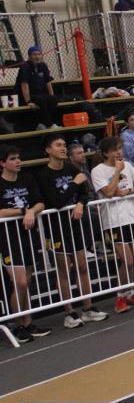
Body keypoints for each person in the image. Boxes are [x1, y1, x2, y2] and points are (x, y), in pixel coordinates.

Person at [90, 137, 134, 314]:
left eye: (120, 148)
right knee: (127, 260)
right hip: (113, 221)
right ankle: (119, 297)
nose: (119, 152)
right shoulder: (98, 171)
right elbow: (109, 192)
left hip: (131, 217)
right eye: (114, 150)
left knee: (131, 261)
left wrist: (128, 191)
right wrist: (117, 171)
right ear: (105, 153)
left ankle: (130, 294)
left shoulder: (128, 166)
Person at [0, 145, 49, 342]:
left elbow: (40, 202)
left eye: (18, 157)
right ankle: (18, 325)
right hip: (8, 238)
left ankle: (28, 323)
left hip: (28, 235)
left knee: (26, 282)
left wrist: (31, 212)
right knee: (19, 282)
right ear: (2, 163)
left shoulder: (27, 179)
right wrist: (23, 211)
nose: (18, 161)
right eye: (12, 158)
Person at [17, 46, 59, 129]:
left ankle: (42, 123)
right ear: (29, 56)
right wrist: (28, 101)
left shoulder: (43, 65)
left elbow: (48, 82)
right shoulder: (25, 67)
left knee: (53, 100)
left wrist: (51, 95)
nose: (37, 56)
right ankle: (50, 124)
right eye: (34, 54)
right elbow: (24, 85)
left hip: (41, 93)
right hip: (28, 95)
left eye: (39, 54)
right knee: (41, 101)